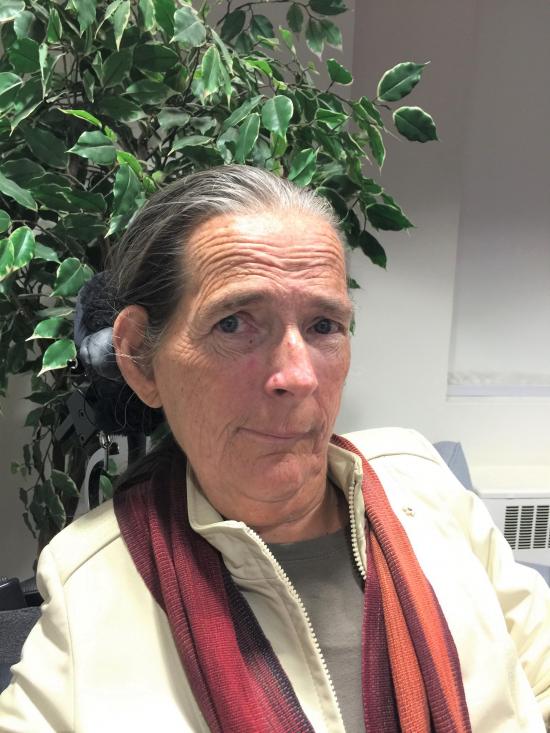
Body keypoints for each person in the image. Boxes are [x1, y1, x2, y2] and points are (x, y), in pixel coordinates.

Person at [1, 165, 549, 732]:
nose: (300, 376)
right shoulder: (88, 580)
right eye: (233, 324)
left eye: (324, 325)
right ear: (141, 358)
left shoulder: (423, 483)